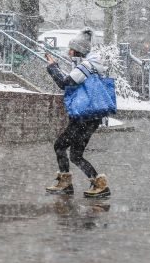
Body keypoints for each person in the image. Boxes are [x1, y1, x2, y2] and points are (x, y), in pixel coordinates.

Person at [45, 28, 111, 198]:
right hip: (91, 117)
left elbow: (64, 82)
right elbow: (72, 80)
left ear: (78, 50)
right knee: (75, 155)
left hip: (83, 117)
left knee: (60, 146)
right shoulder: (92, 65)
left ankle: (66, 183)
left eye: (71, 49)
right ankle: (98, 184)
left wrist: (52, 66)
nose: (68, 52)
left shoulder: (86, 66)